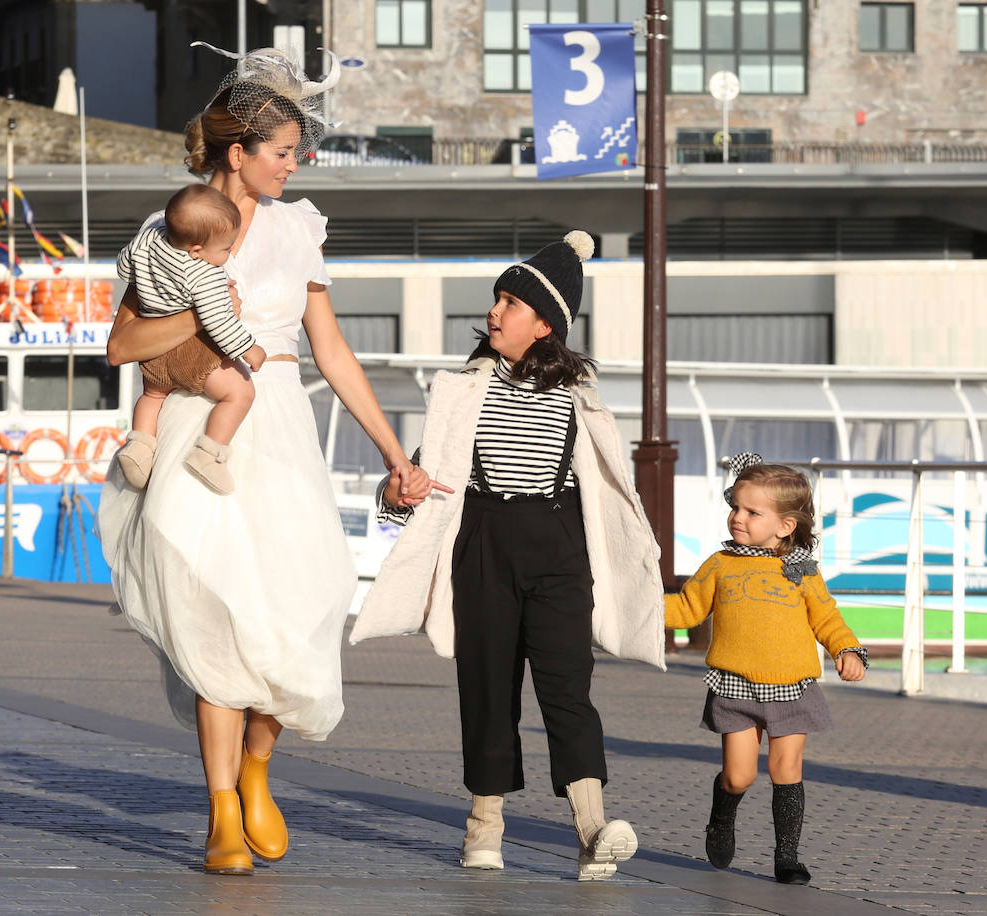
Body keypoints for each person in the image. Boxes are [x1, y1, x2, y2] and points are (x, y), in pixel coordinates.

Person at [97, 47, 435, 876]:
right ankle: (218, 808)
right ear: (237, 151)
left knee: (293, 609)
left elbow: (333, 352)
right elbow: (122, 345)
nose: (296, 163)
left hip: (278, 421)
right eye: (284, 150)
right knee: (215, 616)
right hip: (197, 421)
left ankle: (258, 771)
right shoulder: (168, 228)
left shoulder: (299, 229)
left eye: (297, 151)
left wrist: (394, 451)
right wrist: (203, 320)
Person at [349, 231, 667, 881]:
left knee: (567, 690)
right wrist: (394, 494)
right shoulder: (463, 387)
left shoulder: (581, 392)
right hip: (483, 542)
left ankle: (591, 829)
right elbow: (420, 479)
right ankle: (483, 827)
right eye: (495, 300)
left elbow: (608, 487)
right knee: (489, 690)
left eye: (510, 304)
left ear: (544, 323)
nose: (494, 312)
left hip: (559, 545)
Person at [664, 453, 868, 885]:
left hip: (793, 688)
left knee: (785, 769)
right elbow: (685, 609)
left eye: (752, 512)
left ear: (784, 525)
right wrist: (634, 605)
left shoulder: (800, 571)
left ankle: (787, 858)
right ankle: (722, 815)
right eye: (735, 507)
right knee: (739, 776)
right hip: (734, 686)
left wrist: (847, 650)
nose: (738, 518)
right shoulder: (720, 564)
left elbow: (826, 618)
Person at [113, 183, 267, 495]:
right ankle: (209, 453)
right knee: (239, 394)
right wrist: (249, 349)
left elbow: (123, 267)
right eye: (225, 249)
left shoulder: (147, 240)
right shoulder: (204, 274)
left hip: (155, 348)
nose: (227, 255)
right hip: (193, 353)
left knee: (153, 397)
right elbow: (218, 321)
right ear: (196, 250)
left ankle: (140, 446)